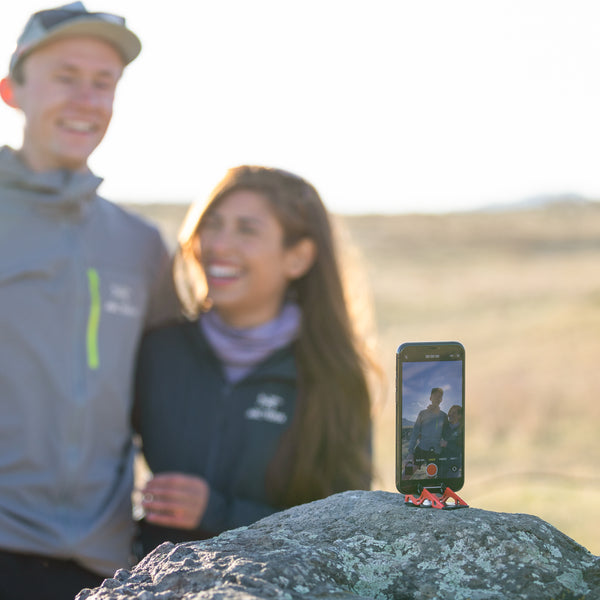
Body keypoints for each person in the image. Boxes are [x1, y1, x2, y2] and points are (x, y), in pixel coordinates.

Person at [0, 4, 179, 599]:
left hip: (105, 565)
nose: (86, 98)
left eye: (103, 83)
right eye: (65, 76)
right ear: (12, 90)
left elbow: (173, 394)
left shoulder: (140, 245)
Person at [133, 165, 376, 558]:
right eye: (212, 225)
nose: (218, 245)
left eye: (246, 230)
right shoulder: (158, 350)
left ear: (297, 258)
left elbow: (348, 530)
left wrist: (217, 513)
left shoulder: (333, 376)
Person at [406, 388, 448, 468]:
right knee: (407, 473)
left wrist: (445, 441)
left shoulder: (444, 416)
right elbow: (415, 433)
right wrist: (410, 452)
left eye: (439, 397)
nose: (437, 398)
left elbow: (446, 434)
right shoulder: (422, 413)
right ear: (430, 398)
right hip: (421, 448)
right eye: (435, 396)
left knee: (431, 475)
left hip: (436, 451)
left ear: (441, 400)